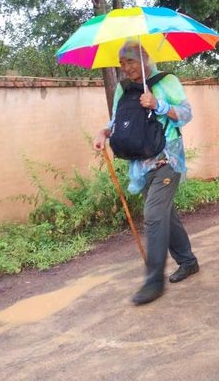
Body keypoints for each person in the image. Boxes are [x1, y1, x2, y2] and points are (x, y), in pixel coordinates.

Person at [93, 40, 199, 305]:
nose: (125, 68)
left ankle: (154, 282)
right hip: (140, 165)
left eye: (130, 61)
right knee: (165, 215)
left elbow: (186, 114)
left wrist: (158, 105)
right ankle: (188, 262)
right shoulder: (122, 89)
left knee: (153, 216)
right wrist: (103, 132)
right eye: (121, 63)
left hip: (167, 160)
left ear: (144, 58)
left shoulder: (167, 81)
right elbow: (118, 120)